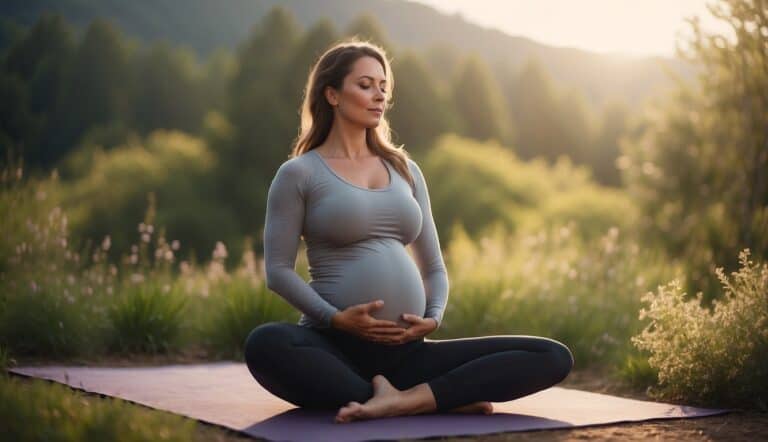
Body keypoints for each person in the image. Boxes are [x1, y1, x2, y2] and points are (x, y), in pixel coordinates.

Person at [244, 40, 574, 424]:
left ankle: (404, 399)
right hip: (334, 348)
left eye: (384, 86)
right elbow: (278, 271)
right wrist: (336, 319)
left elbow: (434, 266)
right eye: (365, 85)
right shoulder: (299, 173)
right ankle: (426, 398)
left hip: (409, 352)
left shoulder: (405, 170)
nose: (378, 95)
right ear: (332, 94)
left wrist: (433, 316)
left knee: (551, 356)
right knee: (266, 344)